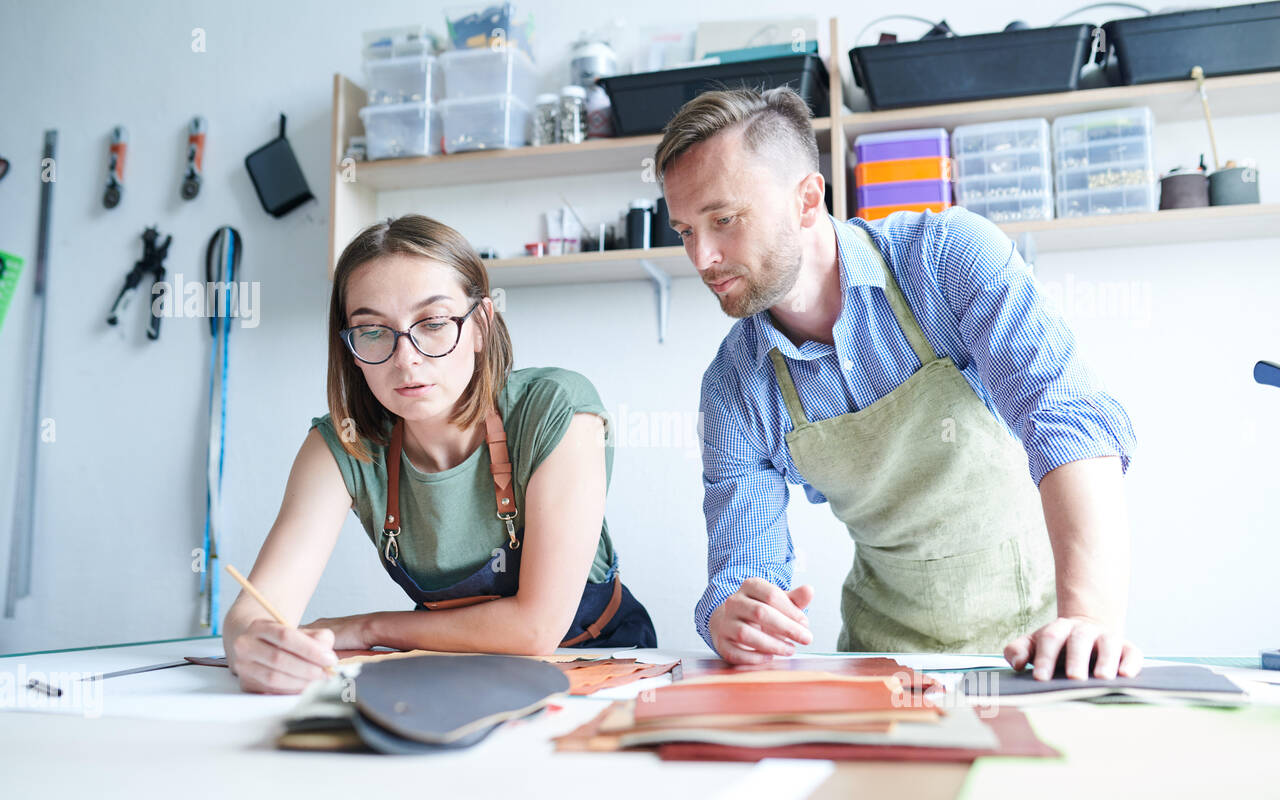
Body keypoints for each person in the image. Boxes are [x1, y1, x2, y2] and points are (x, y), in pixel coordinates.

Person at [656, 87, 1142, 681]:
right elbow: (741, 570)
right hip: (880, 660)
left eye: (724, 219)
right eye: (684, 231)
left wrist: (1088, 617)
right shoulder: (735, 385)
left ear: (808, 200)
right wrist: (733, 616)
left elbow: (1069, 417)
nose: (702, 257)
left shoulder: (946, 260)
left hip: (1041, 638)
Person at [222, 215, 655, 693]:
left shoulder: (558, 409)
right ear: (349, 346)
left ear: (480, 326)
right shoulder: (341, 444)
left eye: (432, 323)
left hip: (604, 662)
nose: (405, 358)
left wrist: (369, 627)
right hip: (454, 671)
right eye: (372, 331)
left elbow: (536, 628)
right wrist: (253, 644)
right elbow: (254, 612)